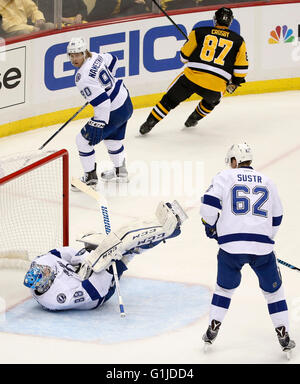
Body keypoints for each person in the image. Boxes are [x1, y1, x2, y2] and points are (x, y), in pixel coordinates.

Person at [199, 143, 296, 355]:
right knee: (274, 291)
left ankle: (213, 326)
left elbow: (208, 205)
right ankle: (283, 331)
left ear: (234, 160)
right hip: (262, 249)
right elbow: (278, 216)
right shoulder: (268, 181)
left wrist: (211, 226)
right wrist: (265, 239)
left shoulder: (224, 176)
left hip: (230, 247)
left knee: (224, 289)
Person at [23, 201, 187, 311]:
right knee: (125, 248)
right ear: (46, 283)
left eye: (43, 270)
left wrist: (85, 255)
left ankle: (157, 224)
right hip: (98, 294)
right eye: (45, 273)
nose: (46, 270)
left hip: (82, 269)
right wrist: (109, 263)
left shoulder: (40, 264)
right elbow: (95, 291)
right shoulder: (57, 298)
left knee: (117, 238)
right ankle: (169, 231)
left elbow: (61, 253)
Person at [139, 7, 248, 135]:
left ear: (215, 20)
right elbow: (241, 70)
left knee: (169, 100)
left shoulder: (198, 32)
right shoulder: (239, 41)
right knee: (212, 101)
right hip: (215, 85)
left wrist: (193, 50)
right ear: (230, 22)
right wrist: (234, 82)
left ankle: (150, 122)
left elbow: (183, 58)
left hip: (191, 79)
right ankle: (193, 119)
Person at [67, 36, 133, 188]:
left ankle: (90, 179)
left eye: (78, 54)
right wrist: (102, 87)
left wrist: (99, 123)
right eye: (72, 55)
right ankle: (120, 172)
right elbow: (114, 60)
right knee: (113, 140)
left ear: (84, 53)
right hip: (125, 102)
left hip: (113, 110)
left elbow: (103, 103)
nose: (74, 58)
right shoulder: (96, 56)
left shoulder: (81, 78)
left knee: (82, 141)